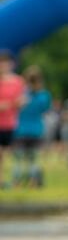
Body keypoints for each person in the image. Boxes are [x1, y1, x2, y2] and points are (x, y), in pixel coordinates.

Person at [12, 65, 51, 188]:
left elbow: (15, 107)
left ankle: (17, 182)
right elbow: (45, 110)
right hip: (36, 130)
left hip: (21, 129)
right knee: (33, 159)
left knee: (18, 159)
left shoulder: (21, 94)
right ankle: (32, 182)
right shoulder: (44, 95)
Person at [0, 50, 25, 188]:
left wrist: (19, 103)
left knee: (8, 153)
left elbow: (21, 100)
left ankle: (7, 179)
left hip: (10, 122)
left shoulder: (18, 82)